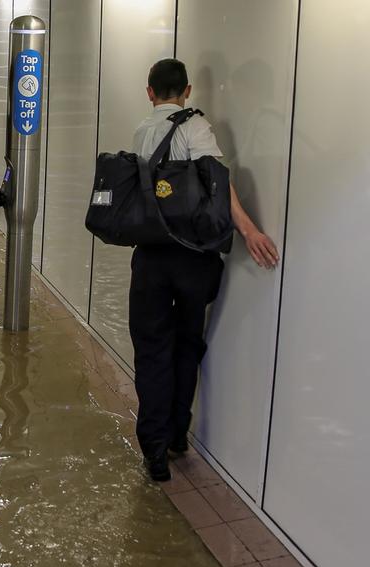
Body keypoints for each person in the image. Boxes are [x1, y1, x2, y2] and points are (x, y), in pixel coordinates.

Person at [129, 58, 279, 482]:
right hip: (194, 256)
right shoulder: (196, 126)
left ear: (150, 92)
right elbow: (219, 184)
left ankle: (155, 451)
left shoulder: (142, 130)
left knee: (153, 350)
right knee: (187, 343)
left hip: (152, 257)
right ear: (188, 90)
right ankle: (178, 433)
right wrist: (248, 231)